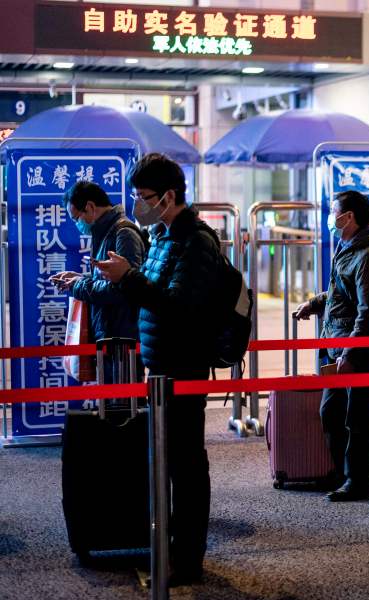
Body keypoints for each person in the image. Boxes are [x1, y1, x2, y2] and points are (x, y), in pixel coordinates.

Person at [95, 153, 218, 584]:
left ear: (169, 196)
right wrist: (124, 278)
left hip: (184, 365)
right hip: (162, 363)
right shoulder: (163, 234)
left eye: (144, 197)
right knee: (167, 462)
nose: (138, 205)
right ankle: (173, 549)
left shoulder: (197, 241)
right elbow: (153, 293)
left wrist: (128, 277)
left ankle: (188, 559)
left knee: (186, 465)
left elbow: (180, 307)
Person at [294, 191, 369, 502]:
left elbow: (368, 310)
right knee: (332, 412)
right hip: (336, 343)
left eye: (333, 211)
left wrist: (351, 352)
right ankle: (341, 474)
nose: (330, 216)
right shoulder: (347, 246)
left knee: (356, 418)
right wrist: (314, 303)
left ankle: (360, 480)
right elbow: (340, 293)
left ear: (348, 217)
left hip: (353, 349)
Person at [51, 181, 145, 379]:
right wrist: (80, 278)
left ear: (91, 207)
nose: (78, 225)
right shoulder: (107, 233)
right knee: (113, 404)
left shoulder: (123, 234)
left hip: (123, 338)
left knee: (124, 405)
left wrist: (79, 285)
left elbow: (123, 289)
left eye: (77, 218)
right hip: (111, 335)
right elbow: (110, 278)